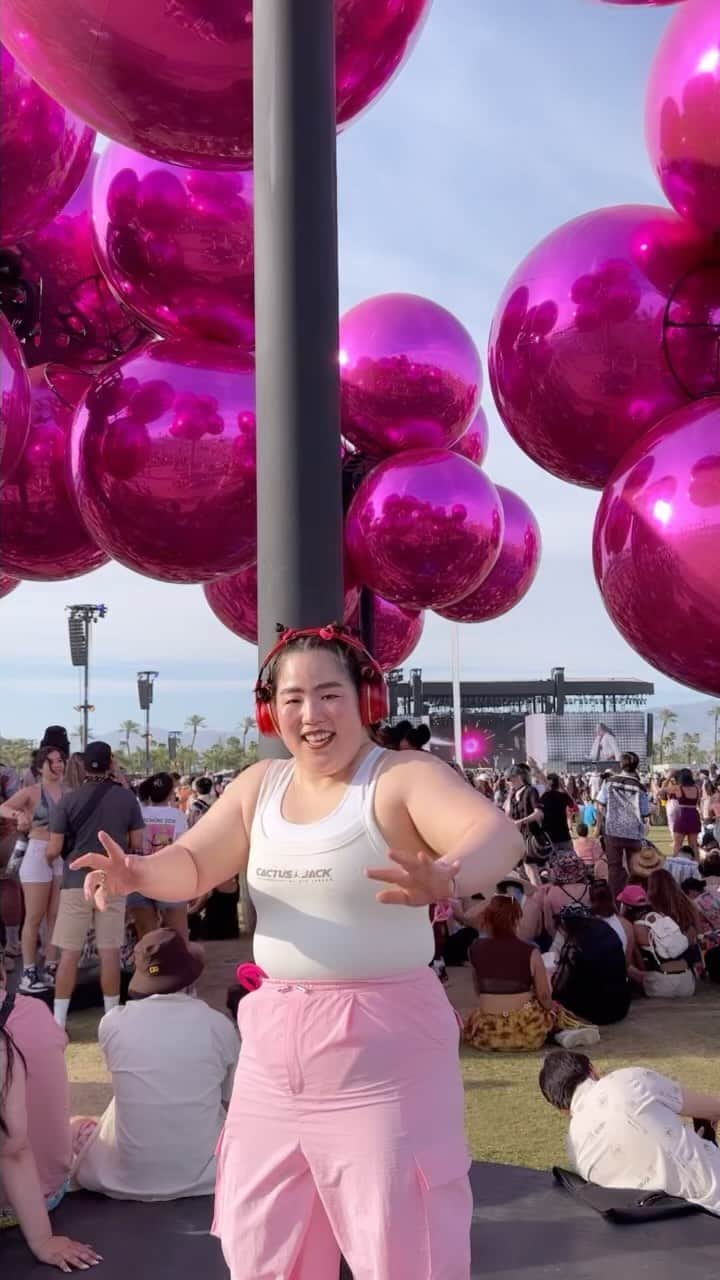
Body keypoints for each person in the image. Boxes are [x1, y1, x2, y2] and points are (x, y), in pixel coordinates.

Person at [71, 623, 523, 1280]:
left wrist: (447, 874)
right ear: (269, 709)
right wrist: (139, 875)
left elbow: (496, 834)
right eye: (293, 699)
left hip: (383, 1055)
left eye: (329, 694)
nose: (311, 715)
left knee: (401, 1243)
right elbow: (194, 863)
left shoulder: (399, 778)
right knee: (262, 1241)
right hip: (274, 1050)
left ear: (364, 699)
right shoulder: (261, 785)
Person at [73, 929, 239, 1201]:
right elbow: (231, 1100)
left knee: (82, 1125)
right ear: (189, 977)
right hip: (205, 1174)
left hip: (127, 1174)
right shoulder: (217, 1025)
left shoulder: (112, 1023)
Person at [0, 961, 100, 1270]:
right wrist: (43, 1240)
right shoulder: (11, 1041)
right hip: (37, 1199)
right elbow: (12, 1149)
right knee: (83, 1127)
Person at [539, 1051, 720, 1217]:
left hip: (671, 1221)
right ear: (592, 1070)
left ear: (562, 1109)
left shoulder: (574, 1148)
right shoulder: (628, 1080)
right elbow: (713, 1109)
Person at [46, 742, 144, 1030]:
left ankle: (58, 1021)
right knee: (110, 951)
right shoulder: (126, 799)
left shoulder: (68, 800)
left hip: (75, 882)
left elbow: (53, 848)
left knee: (69, 954)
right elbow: (137, 843)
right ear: (111, 762)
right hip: (113, 880)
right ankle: (111, 1018)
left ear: (84, 764)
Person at [463, 895, 599, 1053]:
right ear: (516, 920)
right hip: (526, 1029)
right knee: (548, 1007)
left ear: (488, 919)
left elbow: (478, 991)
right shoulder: (530, 951)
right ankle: (559, 1033)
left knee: (482, 1012)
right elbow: (544, 997)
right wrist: (552, 1009)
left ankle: (558, 1034)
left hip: (486, 1032)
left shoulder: (474, 948)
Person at [0, 745, 67, 992]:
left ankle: (50, 965)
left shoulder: (68, 792)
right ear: (41, 767)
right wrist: (18, 815)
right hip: (36, 852)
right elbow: (3, 807)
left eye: (61, 760)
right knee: (34, 916)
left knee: (55, 917)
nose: (59, 765)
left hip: (61, 854)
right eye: (53, 761)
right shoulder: (31, 792)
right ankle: (29, 972)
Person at [129, 772, 188, 939]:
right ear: (171, 793)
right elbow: (182, 848)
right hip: (169, 881)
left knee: (148, 938)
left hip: (138, 879)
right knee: (179, 936)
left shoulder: (137, 813)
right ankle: (179, 965)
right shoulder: (178, 816)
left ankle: (153, 967)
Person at [551, 904, 630, 1026]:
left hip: (590, 1012)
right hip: (619, 1007)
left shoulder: (573, 940)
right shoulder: (606, 929)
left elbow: (560, 979)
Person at [596, 752, 650, 899]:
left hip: (613, 830)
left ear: (621, 764)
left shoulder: (610, 782)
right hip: (633, 832)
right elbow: (645, 812)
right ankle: (636, 899)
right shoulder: (640, 786)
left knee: (614, 868)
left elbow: (600, 804)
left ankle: (615, 901)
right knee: (635, 870)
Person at [506, 763, 548, 885]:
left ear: (518, 777)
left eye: (509, 779)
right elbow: (508, 814)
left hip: (530, 835)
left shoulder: (531, 791)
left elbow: (539, 813)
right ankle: (538, 893)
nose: (508, 782)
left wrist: (521, 821)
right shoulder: (513, 794)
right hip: (518, 837)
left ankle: (540, 897)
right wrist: (510, 795)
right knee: (523, 870)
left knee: (531, 869)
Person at [682, 861, 720, 982]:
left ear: (691, 891)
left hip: (710, 938)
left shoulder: (694, 904)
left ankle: (702, 971)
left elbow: (698, 928)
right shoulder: (716, 894)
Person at [540, 852, 591, 940]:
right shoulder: (589, 889)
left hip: (563, 939)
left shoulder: (551, 893)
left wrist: (560, 941)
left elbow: (549, 925)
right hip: (589, 937)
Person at [589, 882, 635, 961]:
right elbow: (627, 962)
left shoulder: (587, 927)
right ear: (611, 899)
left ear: (591, 901)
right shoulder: (627, 925)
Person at [668, 769, 702, 855]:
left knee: (677, 844)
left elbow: (661, 791)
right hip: (694, 815)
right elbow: (698, 802)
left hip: (682, 816)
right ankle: (697, 866)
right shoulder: (697, 789)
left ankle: (675, 866)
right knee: (694, 845)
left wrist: (669, 777)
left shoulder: (678, 788)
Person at [538, 774, 575, 853]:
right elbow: (572, 804)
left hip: (548, 835)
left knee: (552, 862)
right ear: (558, 784)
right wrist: (563, 788)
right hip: (563, 834)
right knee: (568, 861)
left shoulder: (543, 797)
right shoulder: (563, 796)